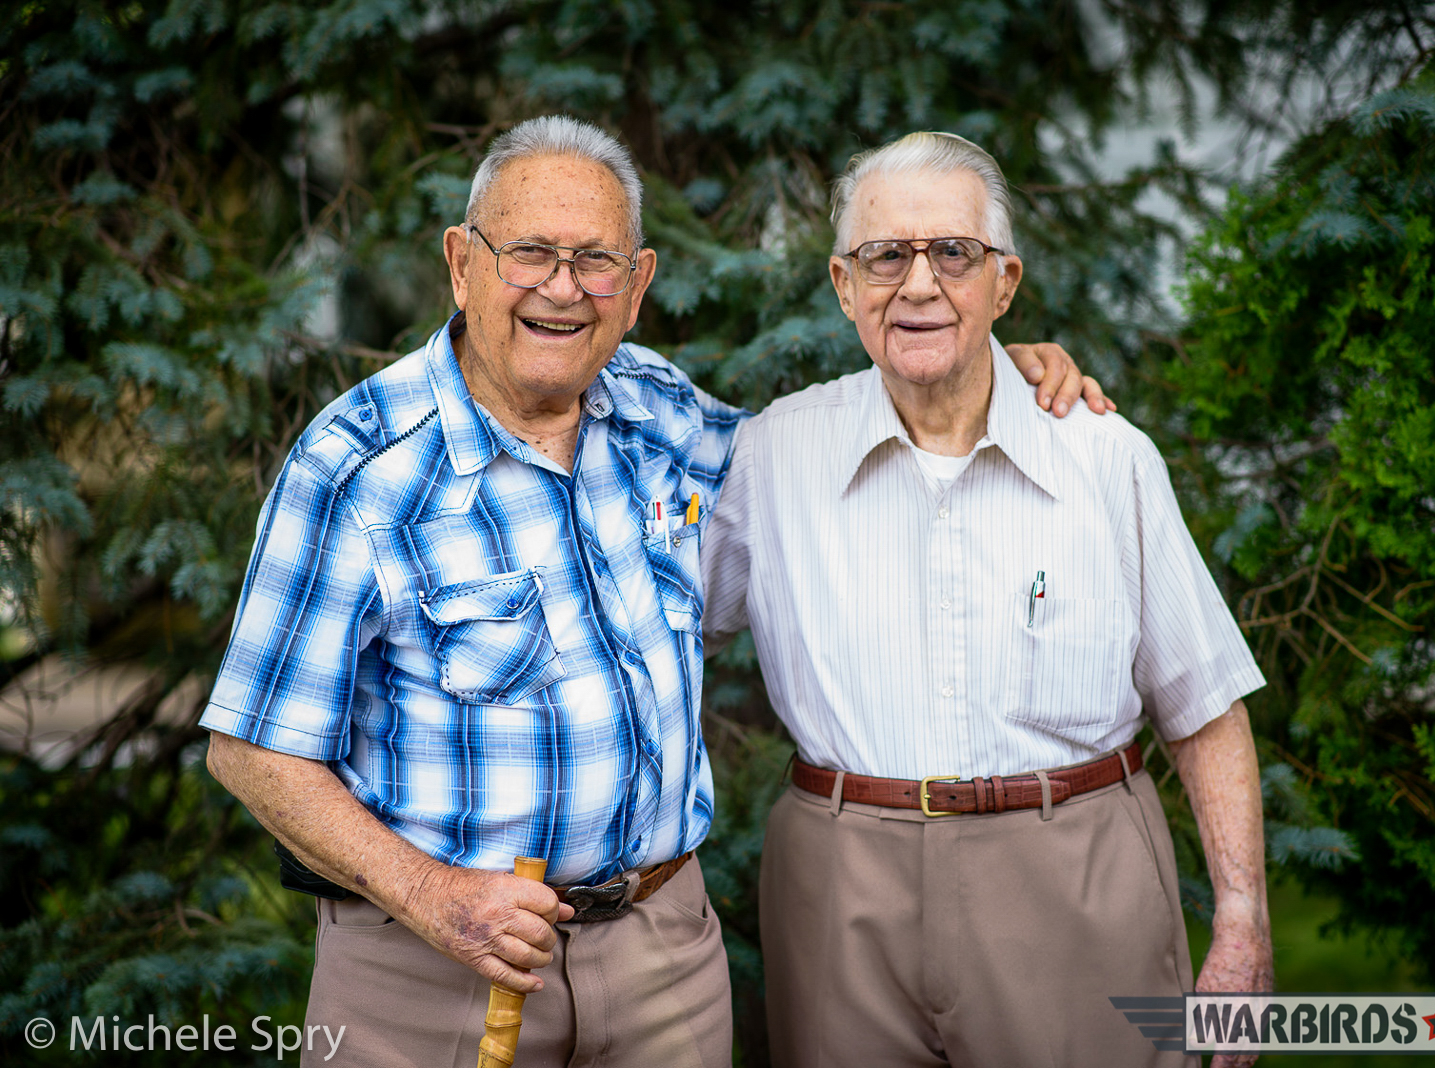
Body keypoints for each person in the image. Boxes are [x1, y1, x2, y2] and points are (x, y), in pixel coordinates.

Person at [200, 115, 1096, 1068]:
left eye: (596, 261)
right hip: (439, 975)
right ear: (462, 264)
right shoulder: (358, 468)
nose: (561, 288)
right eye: (530, 253)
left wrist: (986, 368)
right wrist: (435, 899)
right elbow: (252, 750)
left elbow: (820, 462)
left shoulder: (655, 407)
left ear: (637, 287)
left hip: (666, 961)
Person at [701, 131, 1273, 1068]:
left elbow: (1202, 702)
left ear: (1003, 283)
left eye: (952, 253)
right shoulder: (771, 457)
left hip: (1073, 879)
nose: (918, 284)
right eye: (886, 255)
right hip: (840, 894)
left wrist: (1243, 920)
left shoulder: (1103, 455)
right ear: (845, 287)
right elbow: (651, 633)